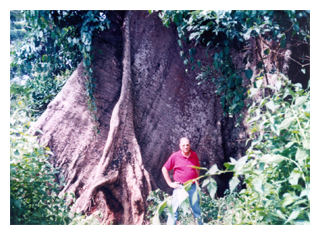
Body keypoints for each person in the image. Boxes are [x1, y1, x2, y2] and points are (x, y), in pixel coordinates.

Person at [162, 137, 203, 225]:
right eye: (183, 145)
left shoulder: (194, 155)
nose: (185, 147)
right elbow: (164, 169)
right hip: (180, 187)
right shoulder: (175, 156)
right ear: (180, 146)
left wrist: (197, 179)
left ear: (190, 145)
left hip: (192, 186)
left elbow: (197, 167)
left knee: (196, 210)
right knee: (174, 211)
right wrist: (170, 183)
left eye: (187, 145)